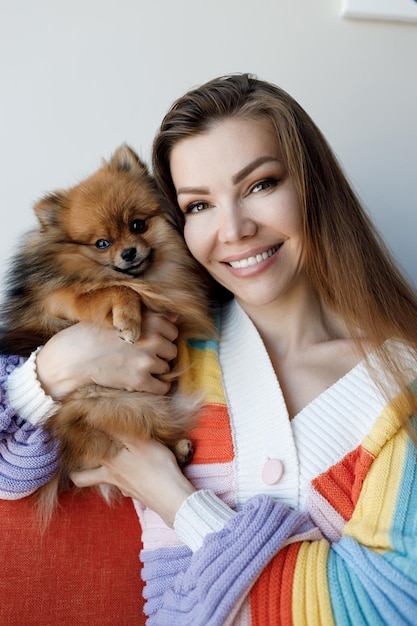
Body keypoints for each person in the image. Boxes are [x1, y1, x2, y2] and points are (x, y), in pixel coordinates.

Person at [1, 73, 417, 625]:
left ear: (313, 185)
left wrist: (171, 496)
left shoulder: (398, 388)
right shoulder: (164, 349)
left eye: (260, 185)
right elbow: (14, 470)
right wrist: (58, 365)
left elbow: (385, 608)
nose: (235, 228)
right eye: (198, 205)